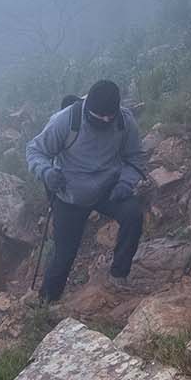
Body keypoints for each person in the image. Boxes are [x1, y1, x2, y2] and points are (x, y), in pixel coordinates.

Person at [25, 79, 148, 301]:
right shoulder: (66, 121)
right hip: (70, 194)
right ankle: (46, 302)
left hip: (109, 189)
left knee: (133, 216)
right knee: (64, 254)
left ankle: (118, 276)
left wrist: (125, 183)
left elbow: (135, 156)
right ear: (88, 107)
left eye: (109, 116)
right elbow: (35, 151)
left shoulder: (124, 120)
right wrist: (46, 172)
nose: (105, 120)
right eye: (99, 116)